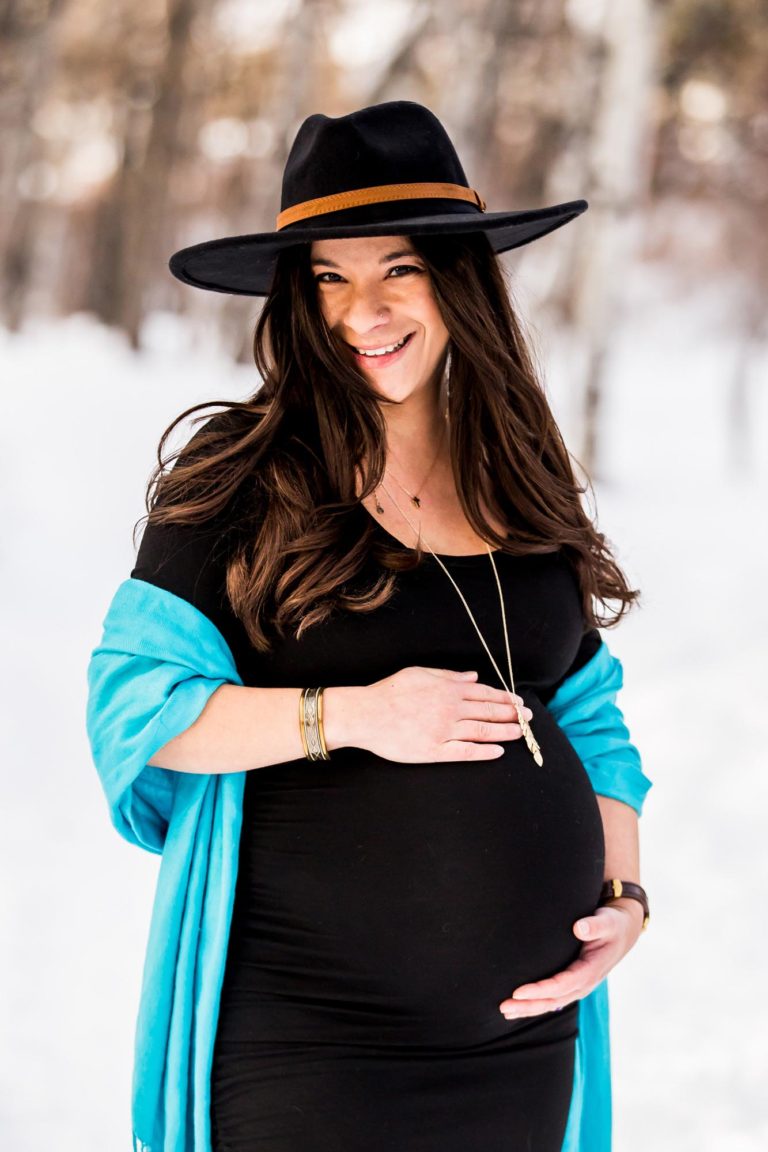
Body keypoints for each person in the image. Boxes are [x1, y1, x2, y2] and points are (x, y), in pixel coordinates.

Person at [86, 101, 652, 1152]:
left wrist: (624, 895)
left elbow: (591, 716)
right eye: (328, 278)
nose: (362, 310)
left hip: (521, 1044)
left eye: (397, 270)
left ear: (461, 281)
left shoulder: (520, 480)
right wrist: (347, 715)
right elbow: (138, 708)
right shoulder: (241, 477)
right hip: (310, 1038)